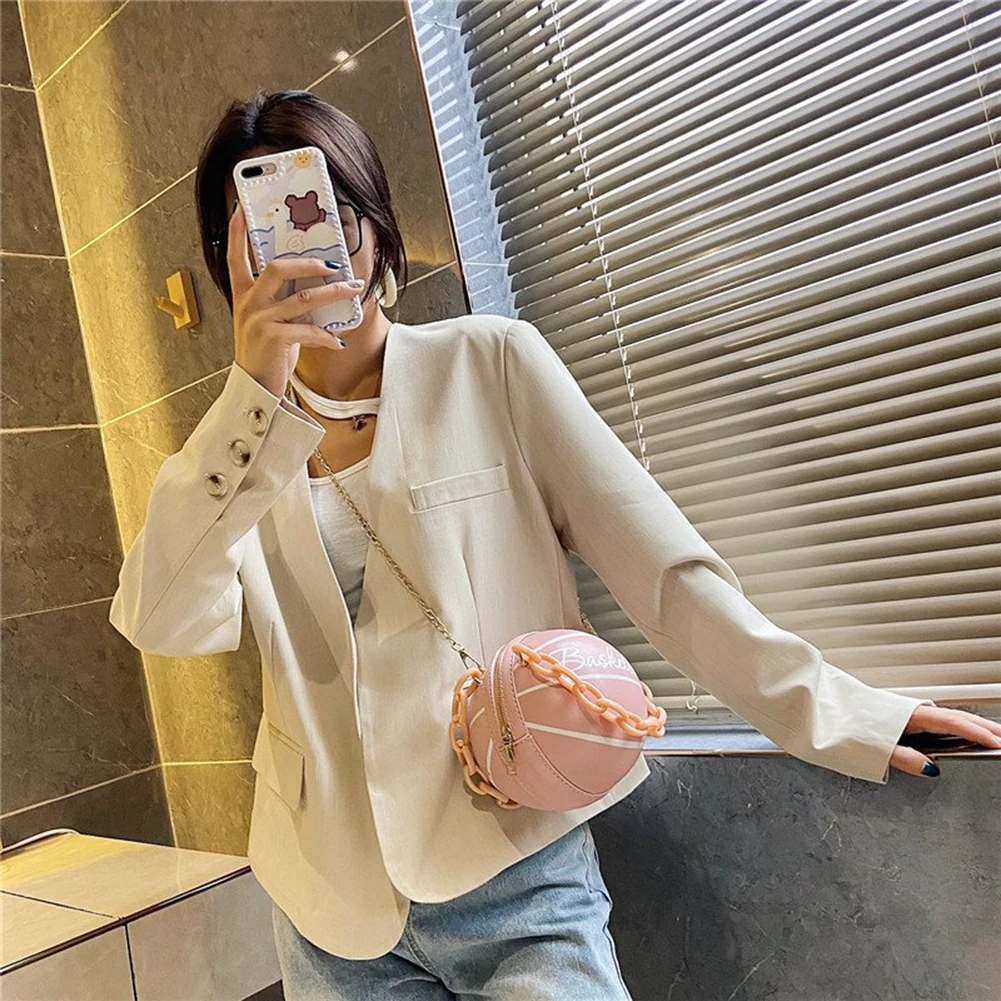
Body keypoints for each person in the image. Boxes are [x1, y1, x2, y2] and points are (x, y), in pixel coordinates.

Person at [110, 90, 1001, 1000]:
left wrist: (841, 713)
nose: (303, 245)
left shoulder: (488, 362)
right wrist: (253, 396)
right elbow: (165, 621)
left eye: (329, 214)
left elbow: (662, 572)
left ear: (373, 225)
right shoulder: (234, 449)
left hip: (511, 865)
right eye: (261, 230)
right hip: (327, 903)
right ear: (226, 258)